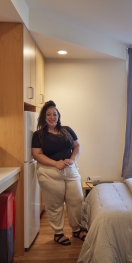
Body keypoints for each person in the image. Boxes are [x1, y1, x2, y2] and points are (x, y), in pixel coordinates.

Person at [31, 100, 87, 246]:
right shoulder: (38, 135)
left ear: (58, 116)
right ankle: (58, 233)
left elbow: (77, 145)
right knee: (54, 204)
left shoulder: (67, 130)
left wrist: (73, 158)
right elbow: (37, 154)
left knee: (76, 200)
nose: (52, 117)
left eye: (54, 114)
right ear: (44, 117)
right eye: (48, 114)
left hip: (70, 170)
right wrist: (55, 163)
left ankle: (76, 230)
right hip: (49, 173)